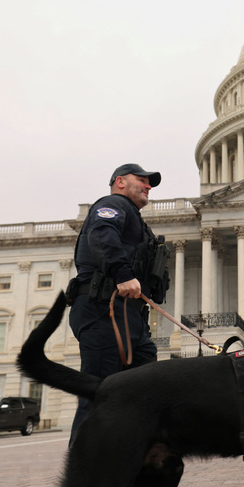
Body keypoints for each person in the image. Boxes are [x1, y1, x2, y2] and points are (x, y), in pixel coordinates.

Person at [66, 163, 169, 443]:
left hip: (131, 318)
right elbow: (102, 233)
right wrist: (123, 273)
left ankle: (131, 461)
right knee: (101, 393)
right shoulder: (112, 205)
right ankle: (86, 472)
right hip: (104, 310)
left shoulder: (137, 222)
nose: (149, 186)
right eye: (143, 180)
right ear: (120, 181)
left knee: (142, 392)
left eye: (151, 183)